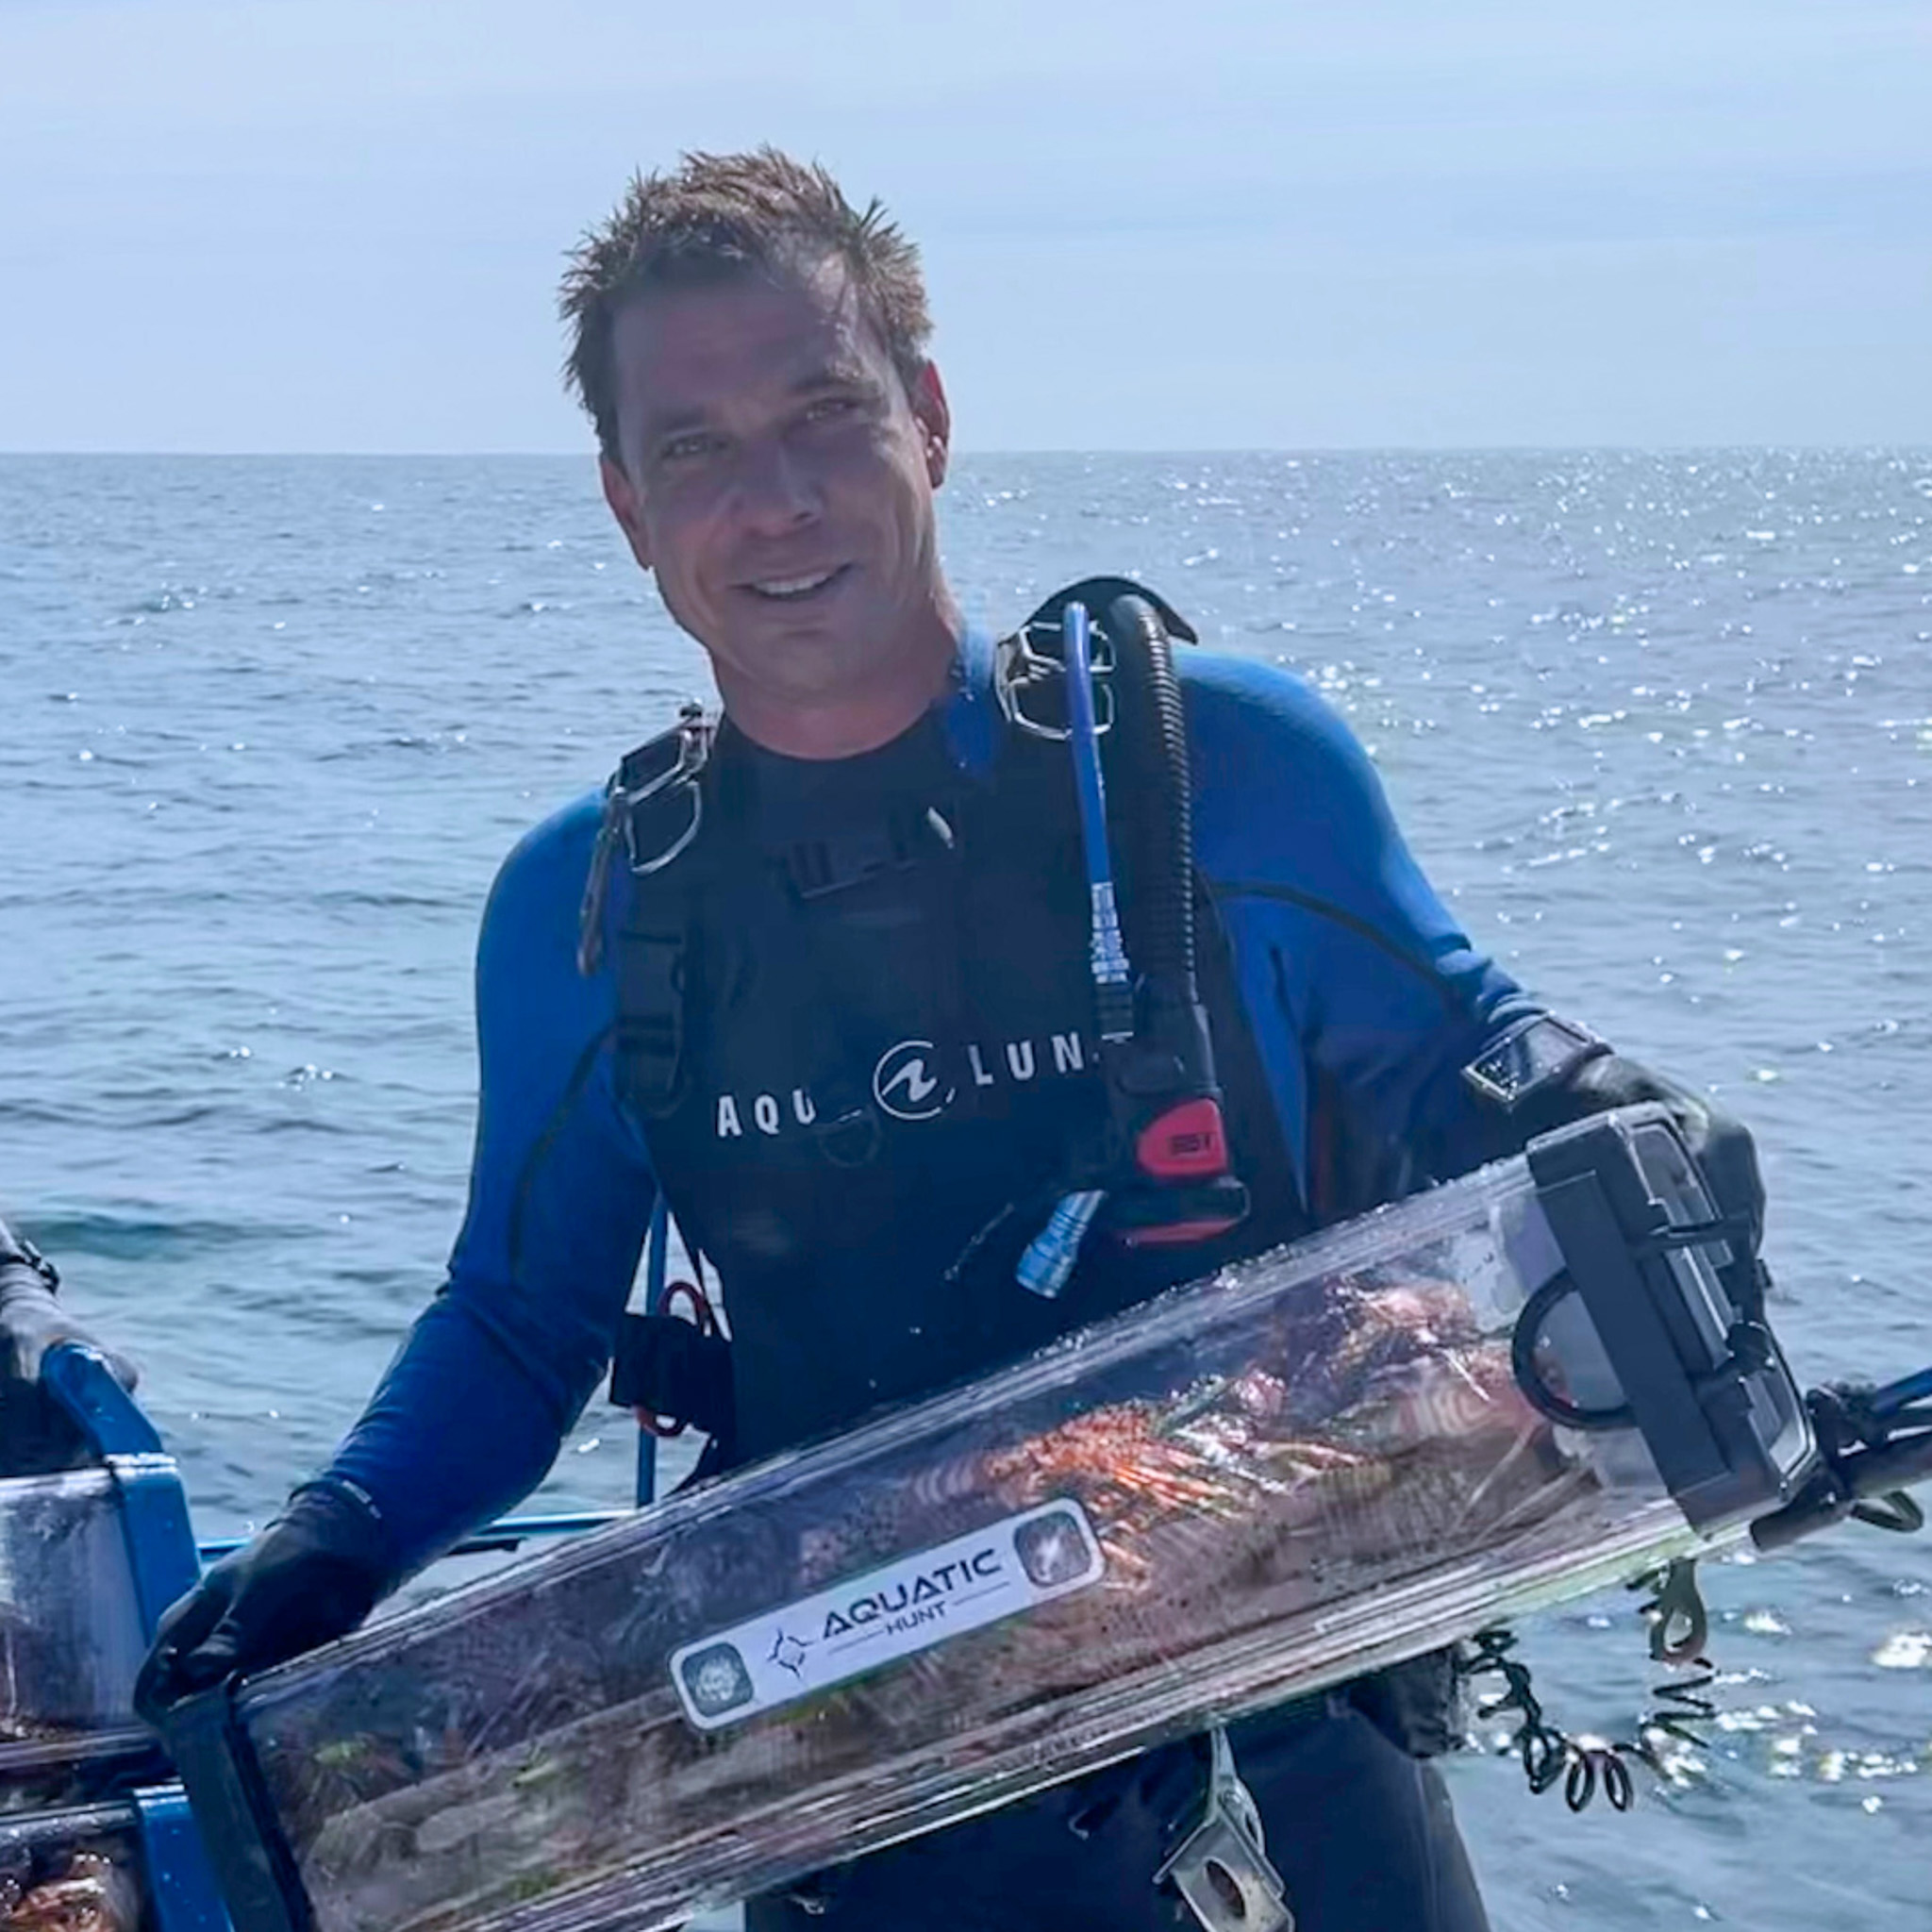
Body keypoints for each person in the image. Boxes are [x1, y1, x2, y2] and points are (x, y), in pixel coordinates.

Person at [135, 149, 1766, 1931]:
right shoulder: (593, 909)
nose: (777, 500)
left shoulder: (1217, 772)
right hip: (839, 1796)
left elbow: (1470, 1058)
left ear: (928, 416)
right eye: (696, 448)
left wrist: (1611, 1115)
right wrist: (339, 1538)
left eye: (825, 412)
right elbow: (521, 1324)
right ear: (624, 504)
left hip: (1297, 1780)